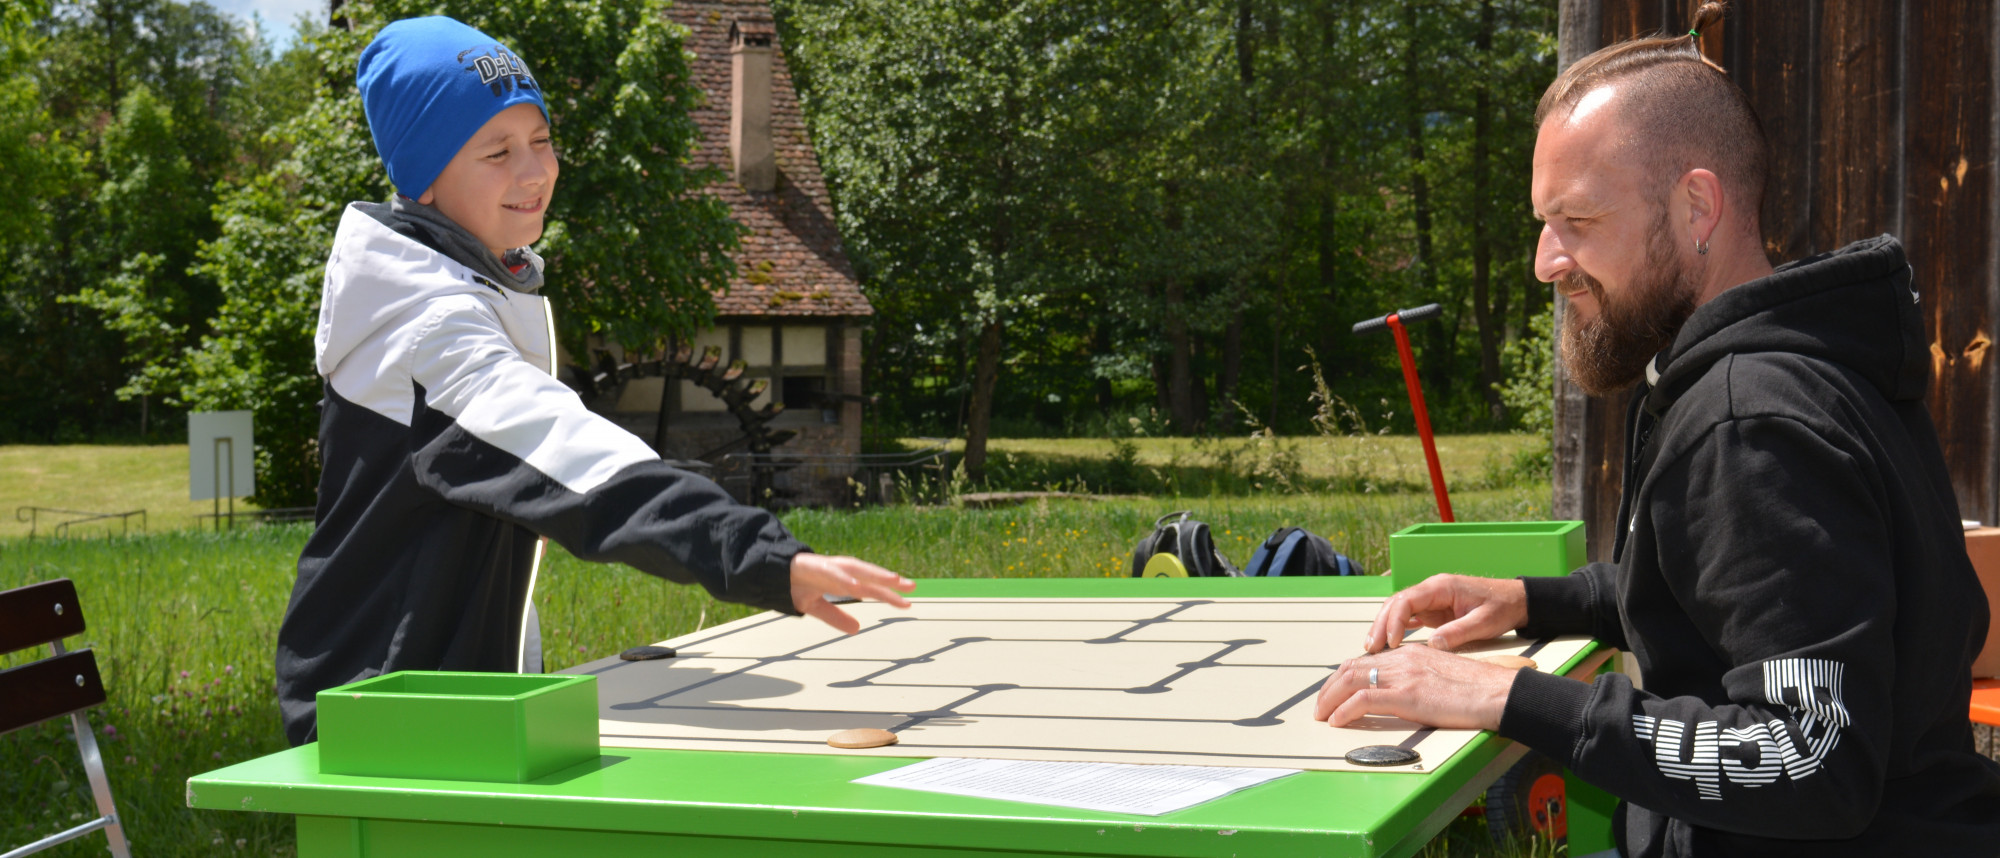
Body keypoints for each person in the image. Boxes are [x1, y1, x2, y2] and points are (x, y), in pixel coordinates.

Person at [1313, 4, 2000, 855]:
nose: (1545, 261)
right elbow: (1716, 588)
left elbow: (1812, 757)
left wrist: (1504, 698)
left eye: (1579, 221)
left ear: (1696, 207)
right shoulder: (1792, 365)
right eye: (1542, 222)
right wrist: (1535, 600)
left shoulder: (1752, 423)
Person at [274, 16, 913, 746]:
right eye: (496, 151)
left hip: (438, 687)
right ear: (423, 177)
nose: (534, 171)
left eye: (541, 140)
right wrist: (758, 557)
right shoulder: (432, 335)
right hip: (380, 705)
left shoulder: (466, 288)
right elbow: (575, 460)